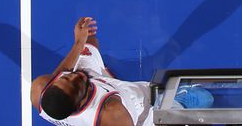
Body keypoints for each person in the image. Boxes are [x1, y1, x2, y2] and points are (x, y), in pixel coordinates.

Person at [31, 17, 213, 126]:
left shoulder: (40, 90)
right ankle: (173, 102)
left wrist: (79, 42)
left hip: (98, 84)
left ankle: (106, 79)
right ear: (79, 104)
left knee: (90, 43)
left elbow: (70, 74)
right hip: (144, 113)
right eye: (75, 84)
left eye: (65, 78)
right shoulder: (113, 113)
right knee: (206, 100)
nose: (74, 76)